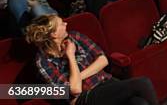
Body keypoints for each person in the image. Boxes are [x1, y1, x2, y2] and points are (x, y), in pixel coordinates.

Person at [25, 14, 158, 105]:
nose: (66, 23)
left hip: (105, 82)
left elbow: (103, 60)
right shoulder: (43, 61)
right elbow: (75, 90)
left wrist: (77, 77)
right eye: (61, 24)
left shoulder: (74, 36)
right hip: (85, 97)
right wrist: (71, 56)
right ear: (54, 34)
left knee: (140, 103)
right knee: (142, 83)